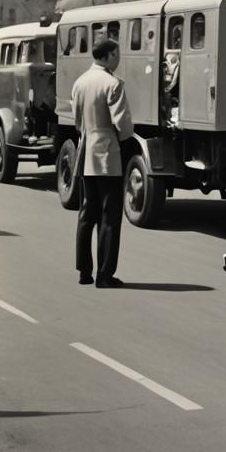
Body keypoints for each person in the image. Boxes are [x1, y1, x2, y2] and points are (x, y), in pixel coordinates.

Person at [72, 37, 134, 287]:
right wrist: (121, 138)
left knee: (87, 213)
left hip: (86, 151)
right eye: (117, 55)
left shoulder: (80, 82)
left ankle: (84, 272)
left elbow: (77, 122)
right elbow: (123, 125)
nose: (118, 59)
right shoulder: (113, 83)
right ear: (108, 56)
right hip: (107, 154)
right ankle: (105, 275)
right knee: (109, 217)